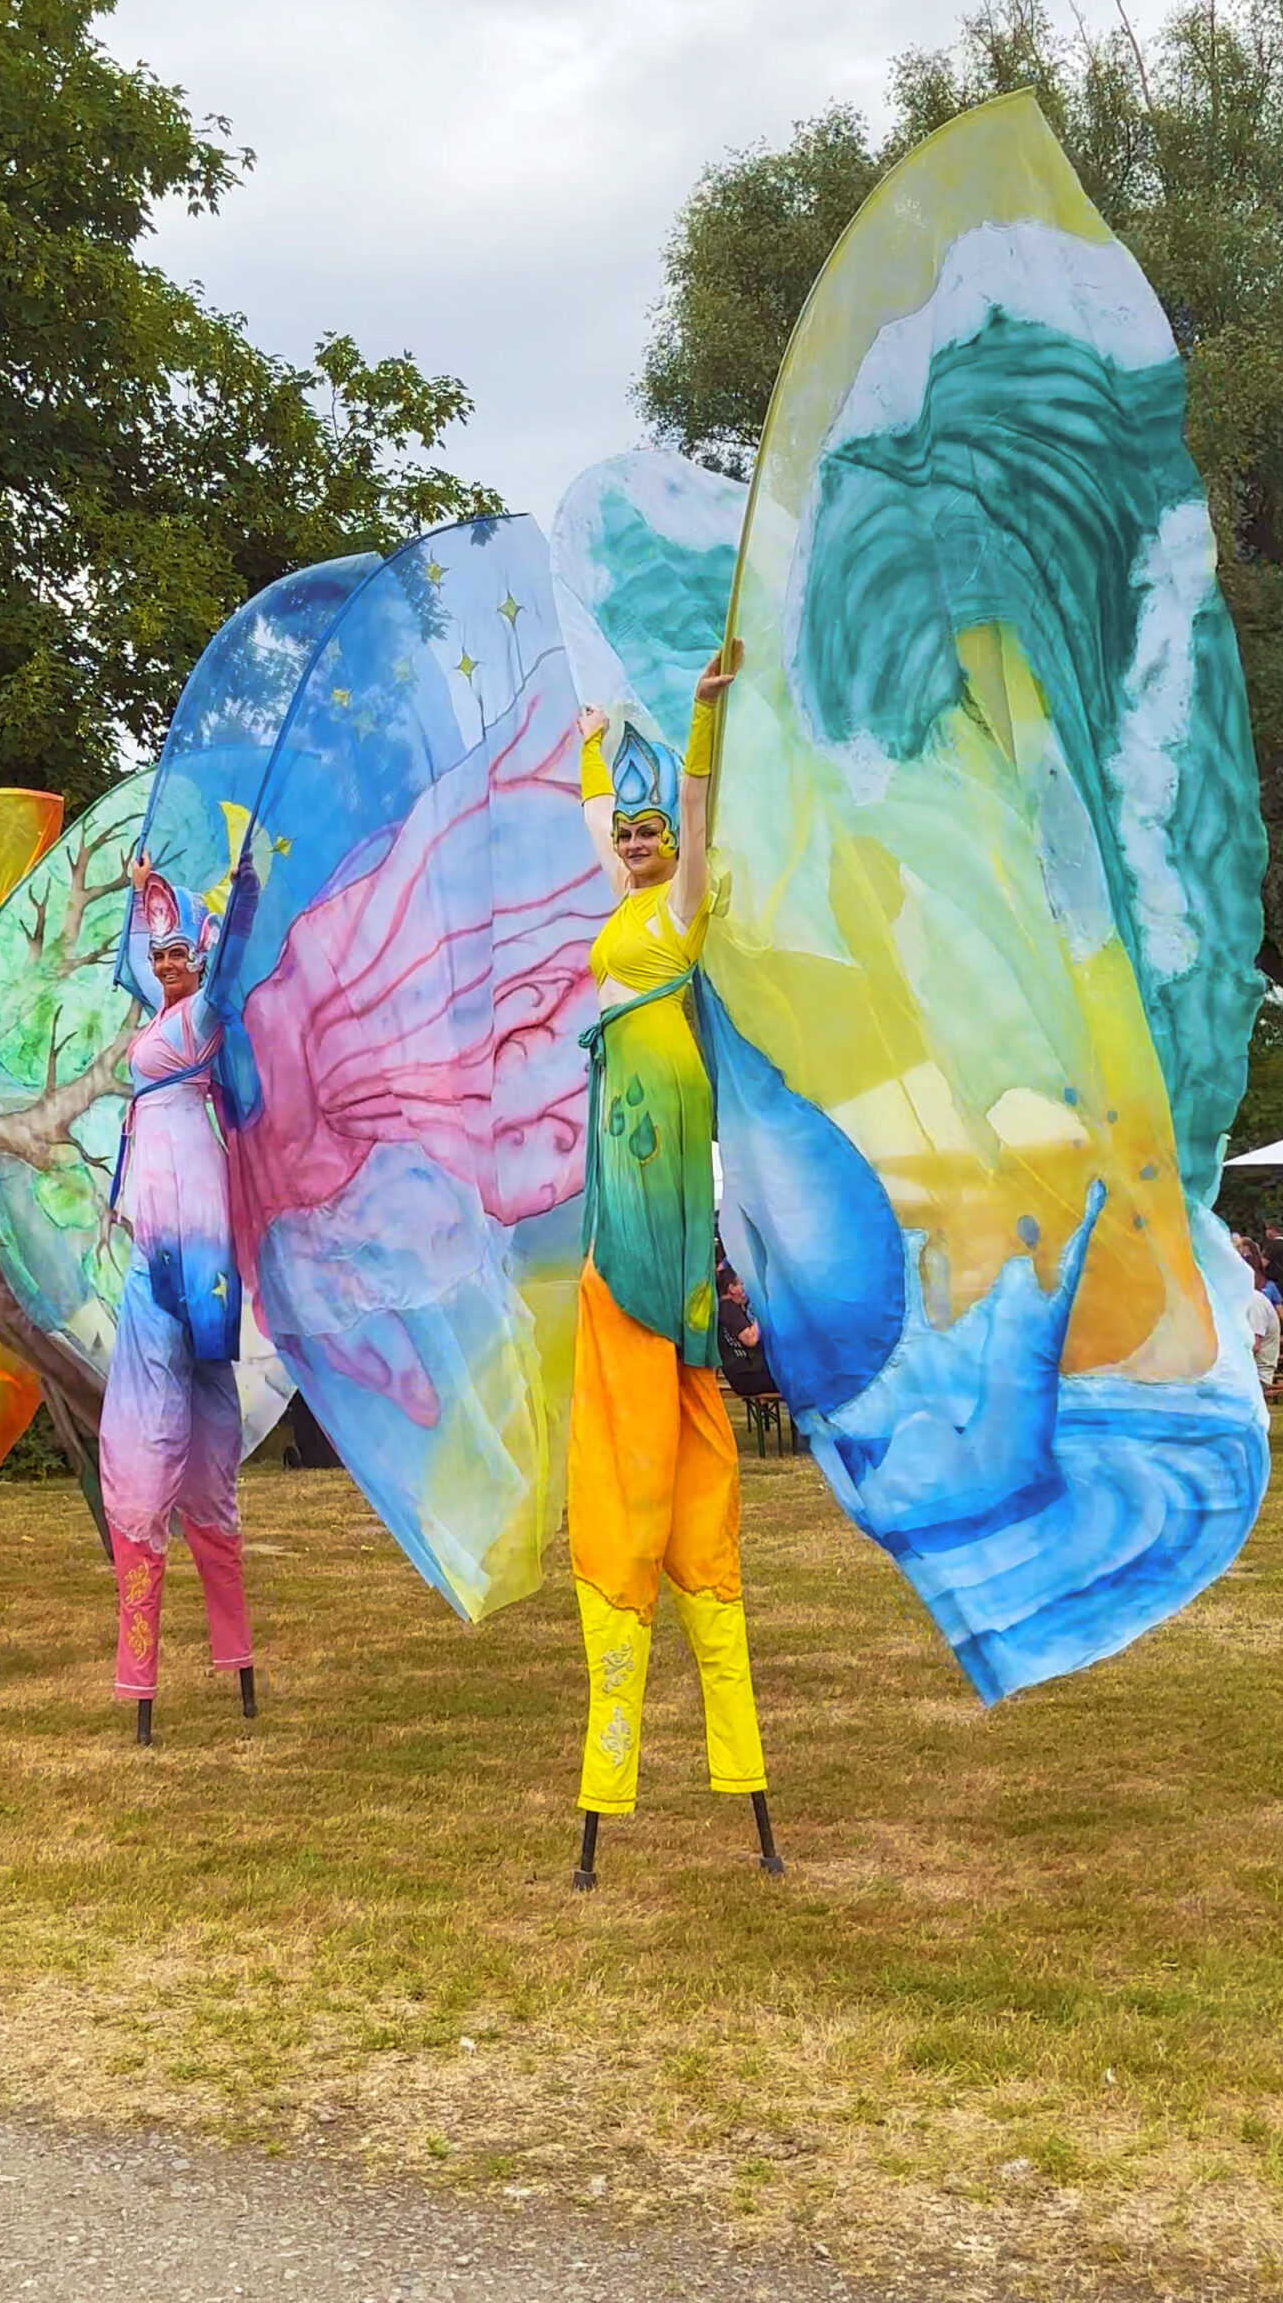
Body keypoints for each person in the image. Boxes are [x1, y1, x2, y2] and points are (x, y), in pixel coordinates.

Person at [566, 650, 778, 1884]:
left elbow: (691, 815)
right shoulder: (617, 901)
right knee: (628, 1372)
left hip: (662, 1145)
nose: (639, 843)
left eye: (650, 832)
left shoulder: (683, 911)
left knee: (666, 1373)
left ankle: (726, 1751)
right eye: (629, 834)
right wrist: (591, 740)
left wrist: (699, 717)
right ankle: (616, 1750)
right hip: (619, 1149)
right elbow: (598, 817)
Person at [100, 849, 258, 1745]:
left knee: (193, 1419)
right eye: (159, 958)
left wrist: (239, 895)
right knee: (158, 1423)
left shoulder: (200, 1020)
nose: (163, 966)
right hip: (157, 1222)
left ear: (198, 964)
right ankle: (149, 1663)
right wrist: (137, 896)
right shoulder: (161, 1008)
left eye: (177, 956)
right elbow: (133, 956)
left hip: (192, 1223)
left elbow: (228, 960)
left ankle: (224, 1649)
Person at [715, 1250, 774, 1399]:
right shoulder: (727, 1308)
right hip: (747, 1376)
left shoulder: (732, 1309)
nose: (745, 1290)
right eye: (741, 1284)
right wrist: (764, 1310)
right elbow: (750, 1338)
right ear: (731, 1288)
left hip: (750, 1374)